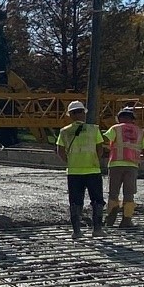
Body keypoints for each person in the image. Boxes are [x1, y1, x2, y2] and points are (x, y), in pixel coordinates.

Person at [56, 100, 105, 239]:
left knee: (75, 201)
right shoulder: (94, 129)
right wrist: (95, 160)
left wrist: (69, 161)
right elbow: (100, 149)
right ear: (83, 113)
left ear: (70, 115)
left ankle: (76, 231)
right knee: (97, 200)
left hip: (74, 171)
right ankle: (97, 229)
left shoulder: (64, 131)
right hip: (93, 170)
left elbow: (59, 150)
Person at [102, 103, 144, 227]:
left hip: (116, 164)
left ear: (119, 118)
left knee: (113, 193)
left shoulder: (115, 128)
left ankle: (110, 219)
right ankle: (126, 220)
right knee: (129, 194)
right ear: (133, 119)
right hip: (132, 166)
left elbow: (105, 142)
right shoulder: (141, 132)